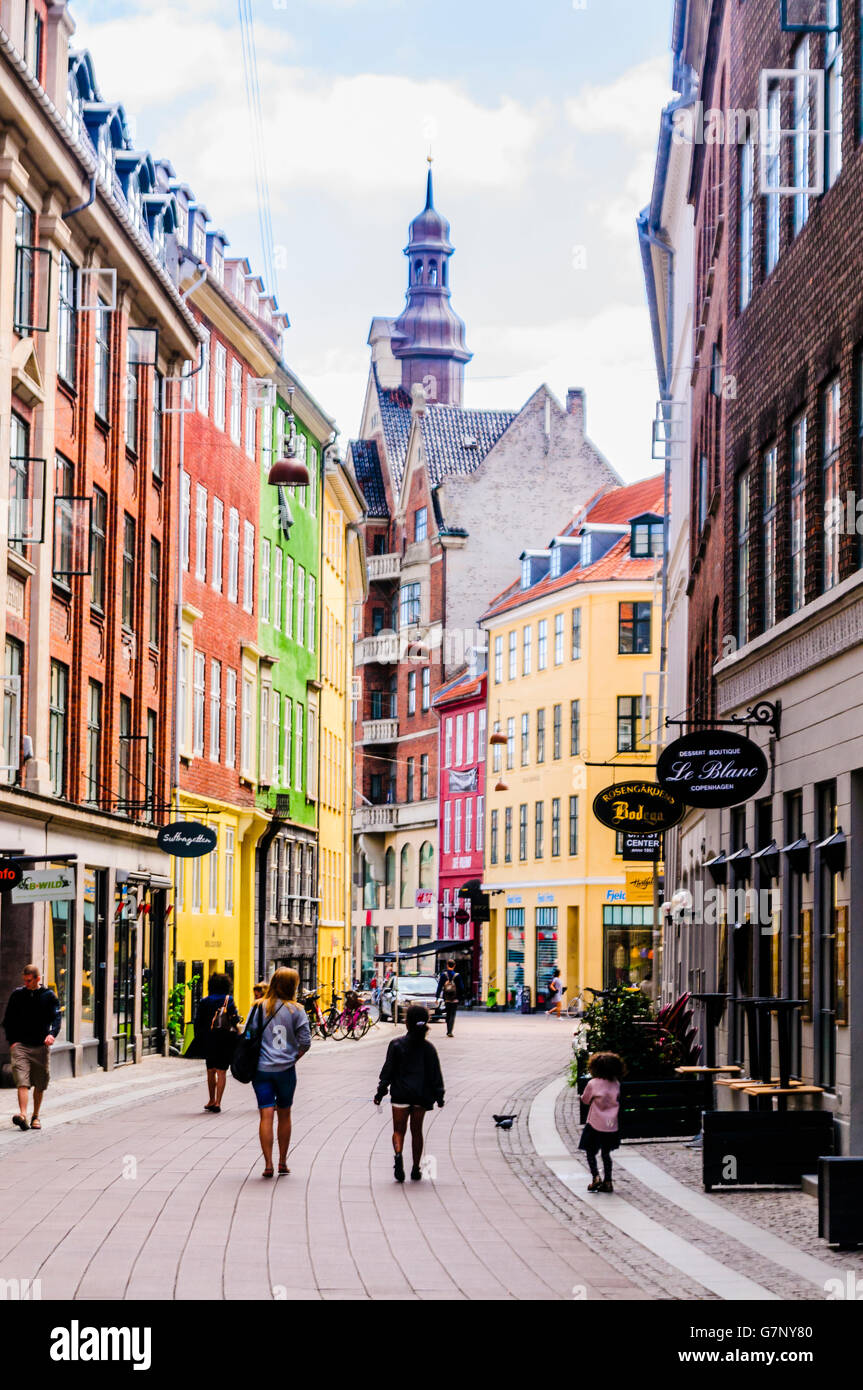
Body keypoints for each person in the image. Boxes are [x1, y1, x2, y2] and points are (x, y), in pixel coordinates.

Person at [374, 1005, 444, 1182]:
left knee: (399, 1130)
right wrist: (439, 1096)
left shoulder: (396, 1045)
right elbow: (436, 1074)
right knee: (417, 1132)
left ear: (407, 1022)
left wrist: (380, 1092)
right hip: (421, 1096)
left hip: (400, 1095)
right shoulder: (429, 1048)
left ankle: (398, 1156)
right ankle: (415, 1168)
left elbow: (387, 1071)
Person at [252, 967, 310, 1178]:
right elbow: (305, 1042)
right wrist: (292, 1058)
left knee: (265, 1114)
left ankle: (267, 1164)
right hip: (286, 1071)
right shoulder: (297, 1010)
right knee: (284, 1114)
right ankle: (282, 1162)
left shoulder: (259, 1007)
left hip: (261, 1069)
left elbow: (248, 1033)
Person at [2, 964, 62, 1131]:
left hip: (41, 1046)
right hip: (20, 1045)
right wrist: (12, 1041)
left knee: (39, 1083)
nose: (26, 983)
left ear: (38, 979)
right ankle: (22, 1115)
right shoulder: (17, 995)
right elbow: (8, 1020)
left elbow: (57, 1018)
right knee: (22, 1081)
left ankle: (35, 1116)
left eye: (29, 981)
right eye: (25, 981)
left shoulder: (49, 996)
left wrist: (52, 1034)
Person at [189, 972, 241, 1113]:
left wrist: (199, 1037)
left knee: (211, 1071)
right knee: (222, 1071)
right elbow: (235, 1019)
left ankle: (211, 1099)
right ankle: (218, 1102)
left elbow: (197, 1021)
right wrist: (238, 1031)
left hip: (209, 1039)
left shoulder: (204, 1001)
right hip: (225, 1039)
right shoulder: (228, 999)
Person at [579, 1051, 624, 1193]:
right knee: (606, 1154)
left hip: (594, 1123)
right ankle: (608, 1181)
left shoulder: (593, 1083)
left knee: (590, 1151)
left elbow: (585, 1100)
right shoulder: (616, 1084)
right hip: (611, 1125)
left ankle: (596, 1177)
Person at [435, 958, 464, 1037]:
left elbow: (439, 986)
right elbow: (461, 987)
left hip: (447, 998)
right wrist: (460, 998)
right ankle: (450, 1031)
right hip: (455, 998)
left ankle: (448, 1030)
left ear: (447, 965)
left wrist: (437, 998)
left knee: (448, 1014)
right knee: (452, 1014)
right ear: (454, 966)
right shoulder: (457, 976)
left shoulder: (443, 975)